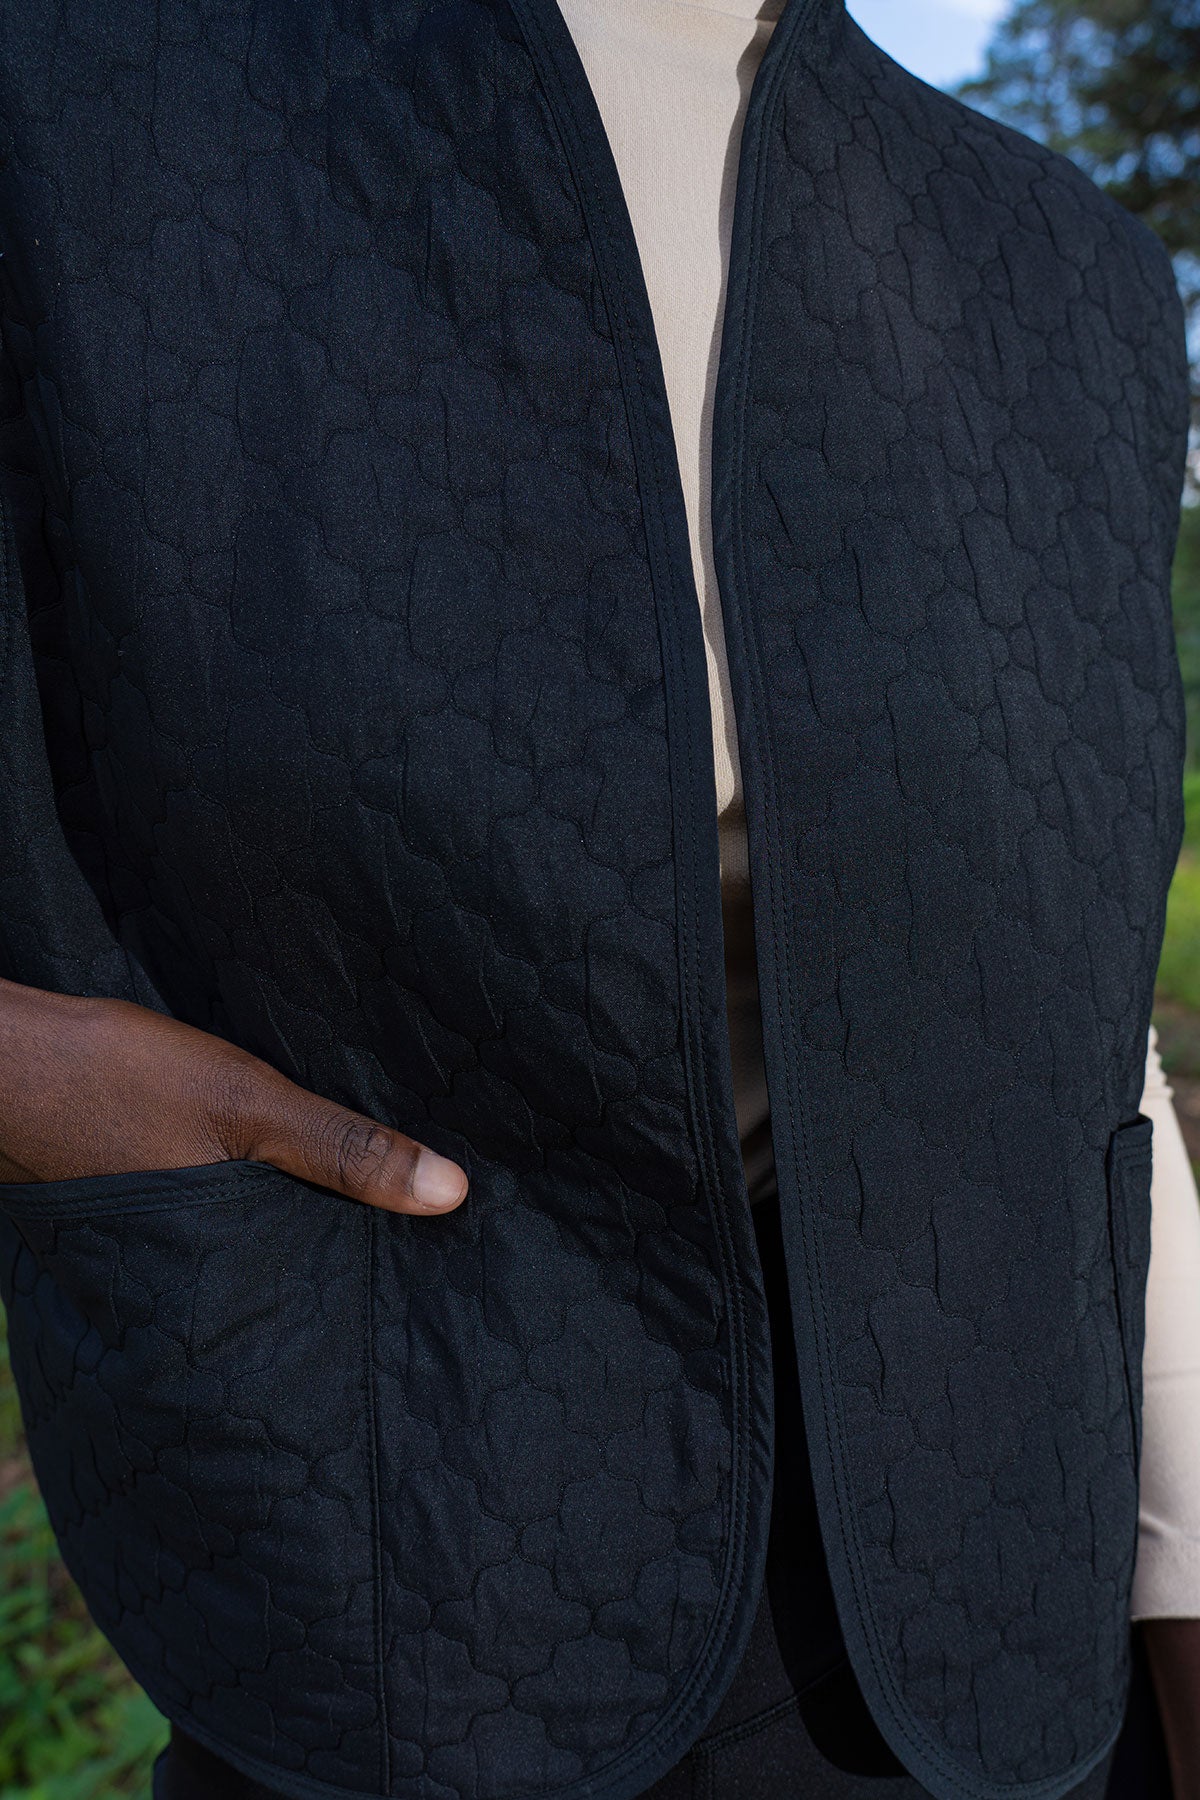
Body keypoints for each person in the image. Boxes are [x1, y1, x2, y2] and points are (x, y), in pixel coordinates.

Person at [0, 0, 1195, 1796]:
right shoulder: (77, 100)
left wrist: (1187, 1575)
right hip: (381, 1571)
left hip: (1004, 1635)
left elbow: (1075, 1045)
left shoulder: (1071, 271)